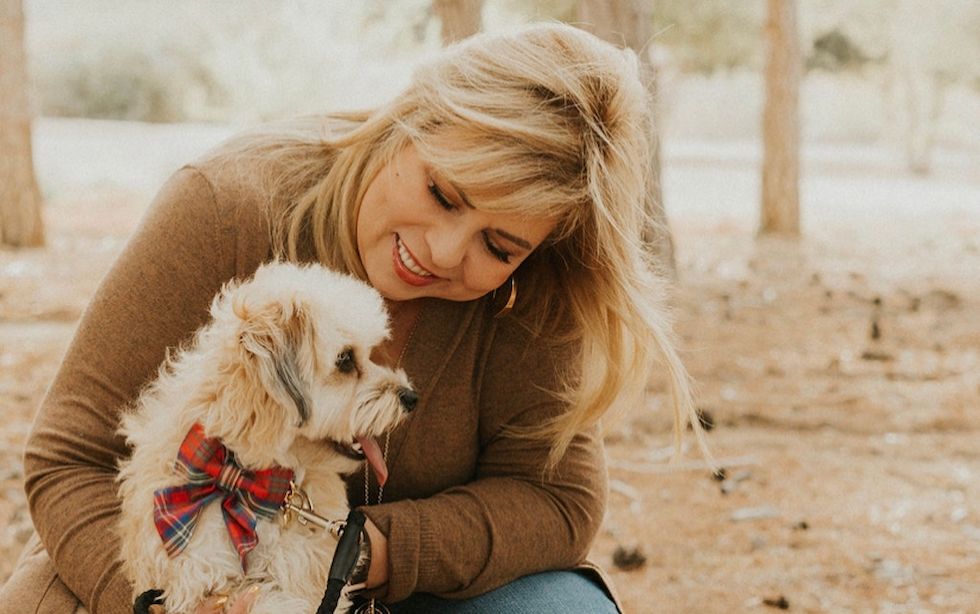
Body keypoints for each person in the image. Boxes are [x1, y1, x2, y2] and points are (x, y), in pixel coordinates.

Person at [0, 21, 705, 614]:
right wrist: (174, 602)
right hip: (157, 571)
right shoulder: (226, 207)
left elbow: (556, 501)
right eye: (443, 192)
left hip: (405, 587)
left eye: (499, 245)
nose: (441, 252)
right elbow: (69, 458)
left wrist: (363, 552)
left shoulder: (534, 291)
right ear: (408, 119)